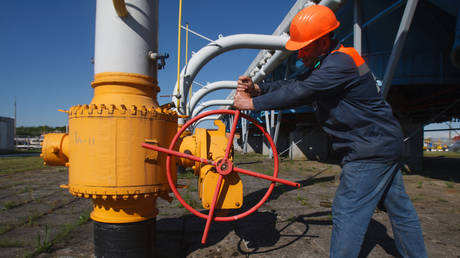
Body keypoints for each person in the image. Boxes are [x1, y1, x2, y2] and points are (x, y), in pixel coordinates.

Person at [233, 5, 427, 258]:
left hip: (369, 149)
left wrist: (252, 103)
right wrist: (259, 89)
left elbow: (302, 91)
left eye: (304, 47)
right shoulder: (331, 61)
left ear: (324, 42)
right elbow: (294, 83)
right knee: (401, 211)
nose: (300, 54)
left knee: (347, 211)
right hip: (383, 143)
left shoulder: (341, 63)